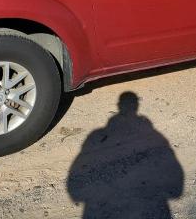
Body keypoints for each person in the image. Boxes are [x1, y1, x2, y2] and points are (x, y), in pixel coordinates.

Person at [67, 91, 184, 219]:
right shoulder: (155, 137)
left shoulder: (95, 137)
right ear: (136, 106)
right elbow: (177, 189)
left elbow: (74, 190)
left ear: (118, 105)